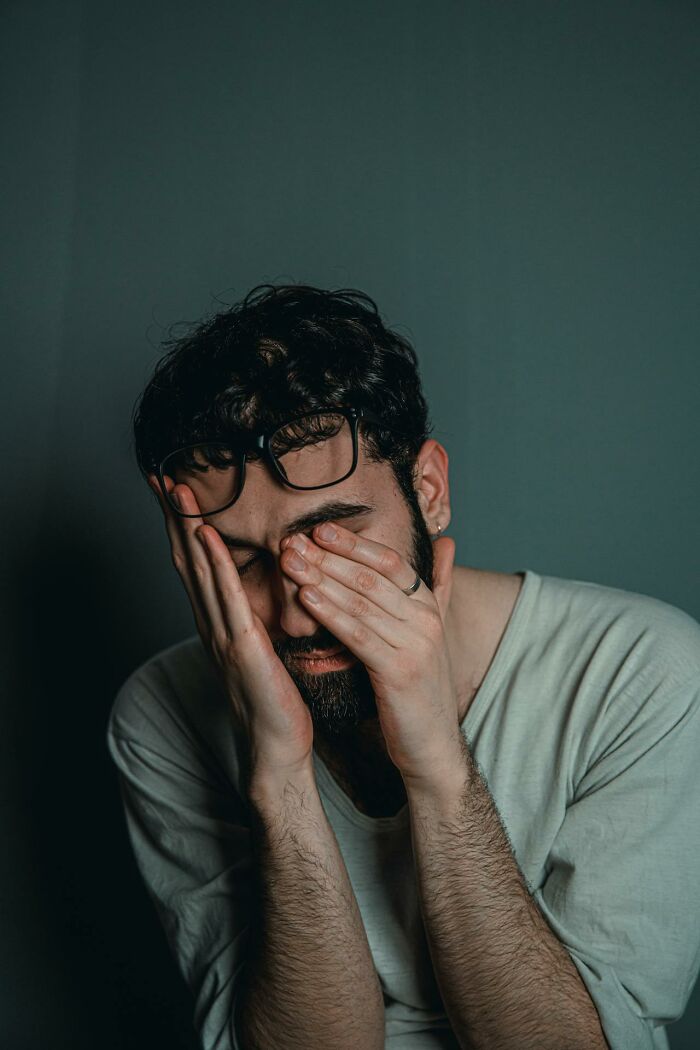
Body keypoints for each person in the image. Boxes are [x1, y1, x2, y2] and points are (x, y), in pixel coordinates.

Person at [106, 283, 700, 1050]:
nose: (294, 612)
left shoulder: (642, 673)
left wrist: (439, 769)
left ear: (429, 491)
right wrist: (280, 774)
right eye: (242, 562)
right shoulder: (161, 715)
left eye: (329, 539)